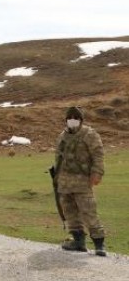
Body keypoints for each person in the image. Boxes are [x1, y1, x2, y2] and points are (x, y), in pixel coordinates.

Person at [53, 106, 106, 256]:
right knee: (69, 212)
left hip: (83, 181)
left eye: (76, 118)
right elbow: (58, 159)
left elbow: (98, 155)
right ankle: (78, 241)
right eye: (70, 118)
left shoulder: (90, 135)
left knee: (89, 210)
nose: (72, 121)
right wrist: (56, 178)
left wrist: (97, 173)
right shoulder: (62, 137)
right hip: (64, 182)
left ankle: (99, 244)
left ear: (81, 120)